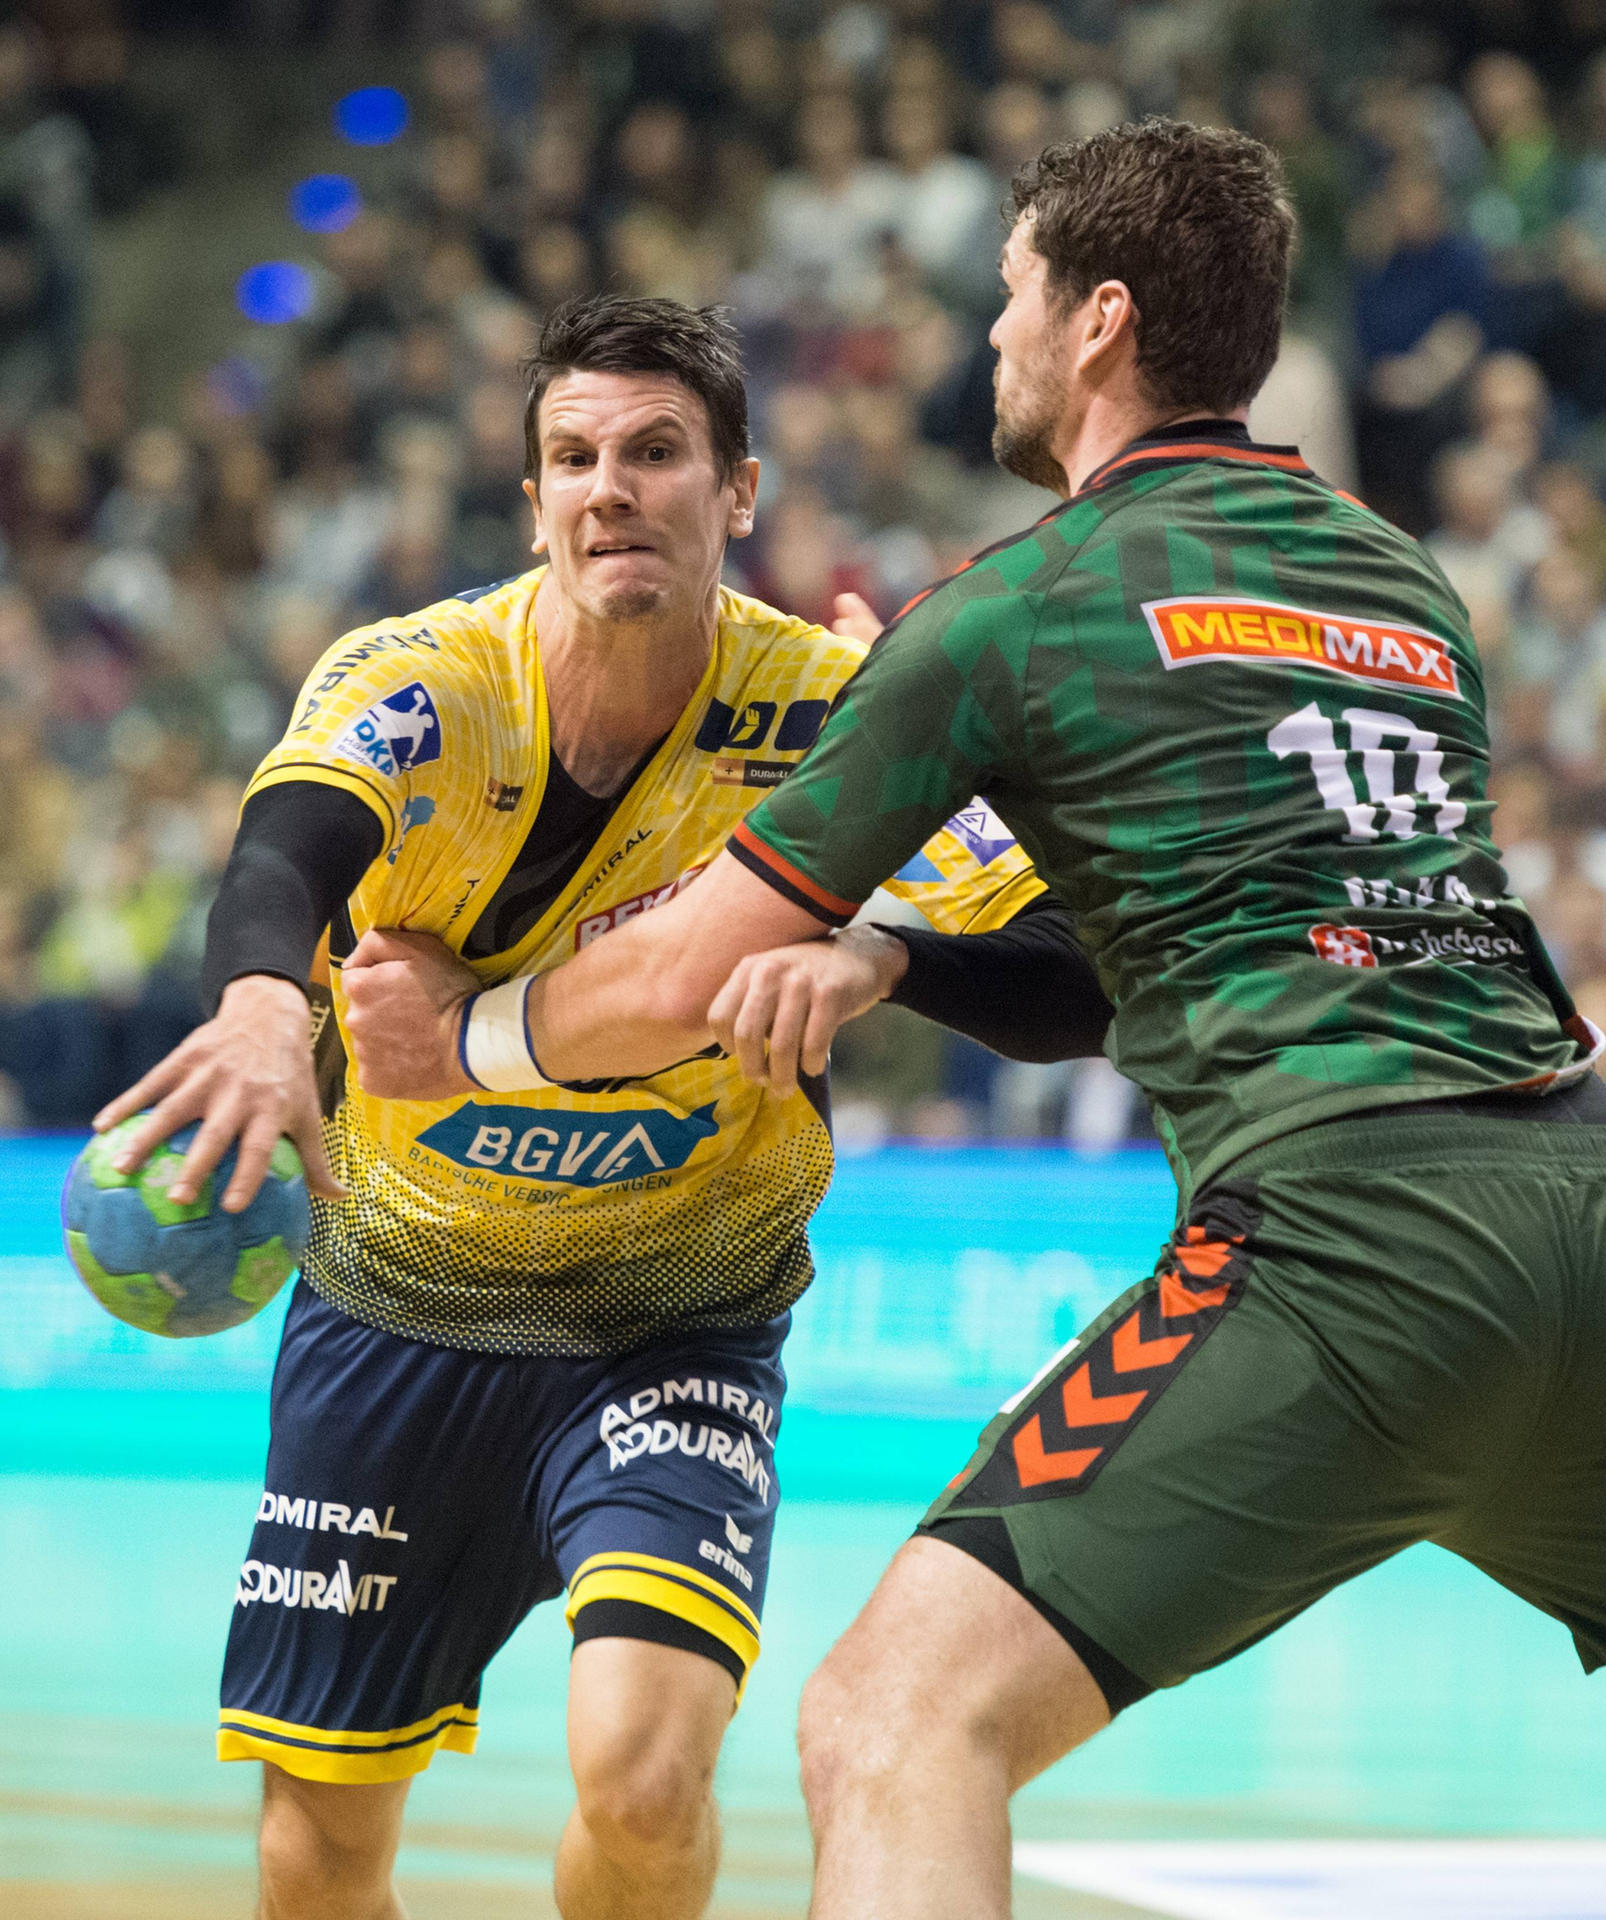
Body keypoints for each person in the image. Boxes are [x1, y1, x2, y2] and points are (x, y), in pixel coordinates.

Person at [334, 122, 1606, 1920]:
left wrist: (467, 1039)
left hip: (1350, 1246)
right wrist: (903, 938)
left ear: (1099, 321)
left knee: (894, 1727)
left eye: (1011, 295)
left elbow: (668, 982)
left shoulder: (1014, 612)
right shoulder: (1395, 584)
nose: (991, 337)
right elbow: (1182, 908)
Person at [95, 294, 1110, 1920]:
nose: (608, 490)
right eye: (573, 458)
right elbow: (287, 845)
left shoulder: (837, 709)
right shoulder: (420, 678)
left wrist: (877, 955)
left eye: (655, 454)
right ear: (533, 501)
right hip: (399, 1307)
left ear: (741, 493)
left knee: (645, 1780)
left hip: (679, 1317)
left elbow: (1081, 977)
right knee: (311, 1851)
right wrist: (263, 1008)